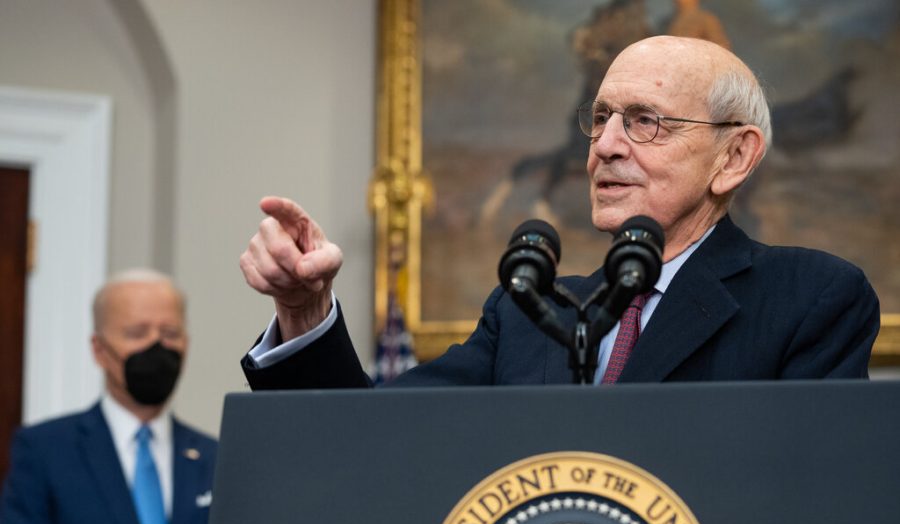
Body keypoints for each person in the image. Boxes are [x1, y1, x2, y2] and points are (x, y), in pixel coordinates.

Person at [238, 36, 879, 389]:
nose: (603, 146)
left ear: (734, 157)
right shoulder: (526, 314)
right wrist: (304, 312)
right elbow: (367, 442)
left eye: (644, 121)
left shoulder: (810, 298)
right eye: (600, 119)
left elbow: (804, 499)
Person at [0, 270, 217, 524]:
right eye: (137, 333)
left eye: (170, 333)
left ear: (186, 343)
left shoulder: (218, 458)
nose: (157, 346)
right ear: (99, 349)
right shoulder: (45, 453)